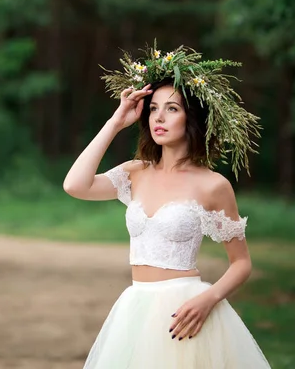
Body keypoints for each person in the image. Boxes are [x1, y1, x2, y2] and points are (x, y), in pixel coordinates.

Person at [63, 44, 271, 368]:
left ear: (192, 117)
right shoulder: (136, 172)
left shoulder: (213, 185)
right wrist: (116, 121)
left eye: (172, 108)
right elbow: (75, 185)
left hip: (185, 311)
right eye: (154, 108)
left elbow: (241, 263)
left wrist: (208, 298)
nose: (159, 117)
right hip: (135, 307)